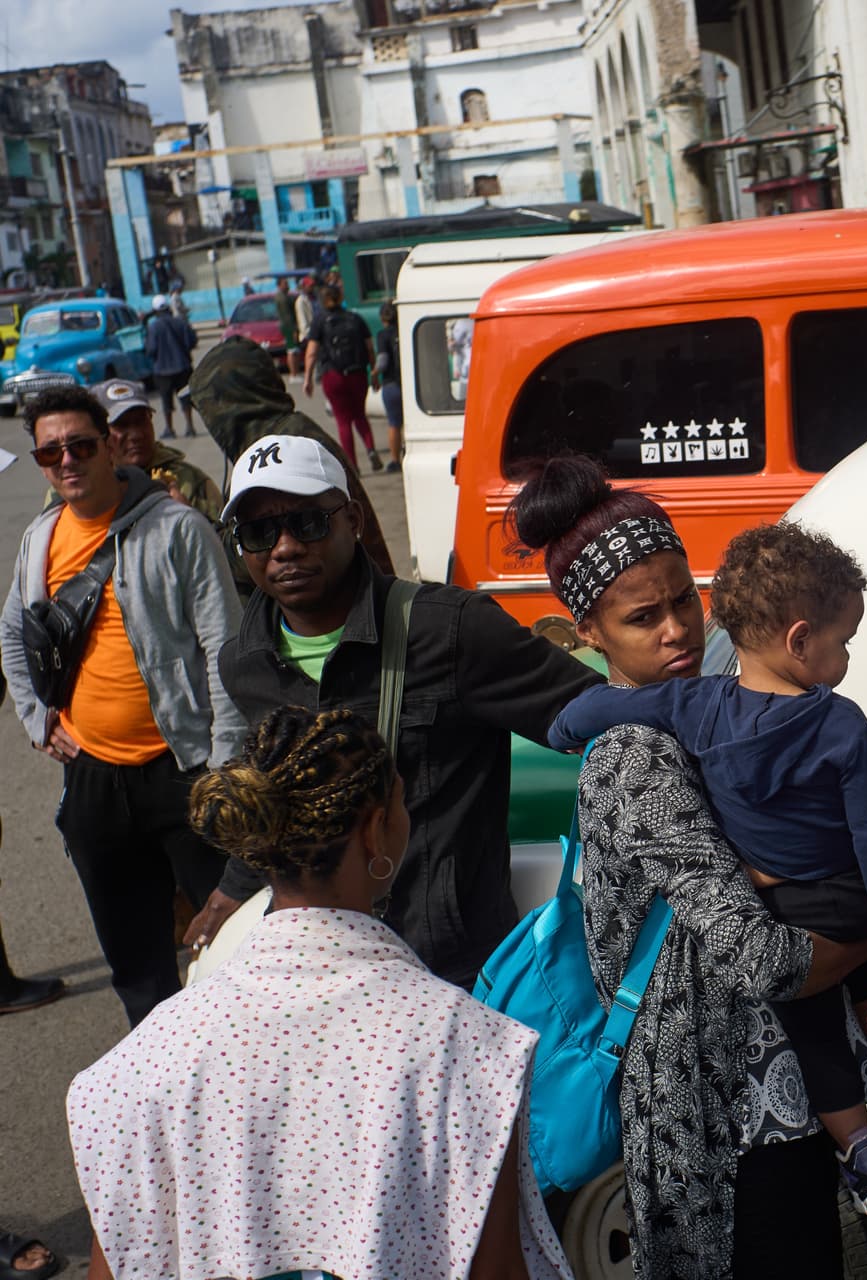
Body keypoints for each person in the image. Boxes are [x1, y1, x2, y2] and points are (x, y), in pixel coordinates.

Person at [509, 454, 867, 1279]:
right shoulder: (635, 754)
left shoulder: (720, 713)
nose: (677, 630)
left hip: (763, 1092)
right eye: (642, 618)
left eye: (683, 598)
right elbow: (765, 961)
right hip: (715, 1112)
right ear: (589, 633)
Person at [67, 705, 570, 1280]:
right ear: (374, 830)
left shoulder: (149, 1056)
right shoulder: (464, 1045)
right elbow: (497, 1268)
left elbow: (115, 1261)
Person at [183, 434, 601, 989]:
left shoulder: (450, 629)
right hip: (323, 976)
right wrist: (234, 887)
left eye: (307, 522)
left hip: (454, 972)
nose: (283, 548)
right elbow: (275, 794)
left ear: (352, 519)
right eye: (258, 532)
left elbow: (600, 718)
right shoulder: (245, 663)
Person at [0, 385, 243, 1026]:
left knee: (238, 940)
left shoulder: (177, 528)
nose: (67, 462)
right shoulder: (42, 537)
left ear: (108, 445)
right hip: (94, 782)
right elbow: (13, 632)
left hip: (185, 769)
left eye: (80, 445)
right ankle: (161, 1083)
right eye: (50, 454)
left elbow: (225, 646)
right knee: (136, 962)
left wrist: (223, 762)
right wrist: (36, 718)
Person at [186, 335, 395, 575]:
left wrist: (195, 526)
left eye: (207, 407)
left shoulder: (278, 453)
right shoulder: (281, 435)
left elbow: (254, 553)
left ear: (226, 404)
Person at [83, 378, 224, 524]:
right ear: (100, 434)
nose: (136, 435)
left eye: (141, 421)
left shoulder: (191, 481)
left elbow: (228, 538)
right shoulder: (85, 487)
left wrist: (192, 521)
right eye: (122, 425)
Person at [303, 285, 383, 472]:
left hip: (333, 375)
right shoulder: (355, 319)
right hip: (358, 374)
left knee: (343, 421)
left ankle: (353, 466)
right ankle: (371, 449)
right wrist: (374, 373)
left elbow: (311, 353)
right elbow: (370, 348)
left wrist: (307, 378)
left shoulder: (320, 321)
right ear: (340, 298)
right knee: (360, 415)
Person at [143, 293, 198, 439]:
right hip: (183, 367)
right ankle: (190, 427)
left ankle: (170, 429)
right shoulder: (180, 322)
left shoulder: (153, 327)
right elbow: (191, 342)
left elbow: (151, 349)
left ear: (155, 311)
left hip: (162, 371)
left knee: (166, 401)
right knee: (185, 398)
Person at [374, 300, 403, 472]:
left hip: (391, 384)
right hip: (407, 384)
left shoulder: (382, 335)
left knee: (394, 423)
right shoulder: (404, 330)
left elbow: (383, 362)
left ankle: (394, 460)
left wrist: (374, 373)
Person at [290, 277, 315, 377]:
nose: (312, 288)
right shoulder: (301, 301)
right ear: (304, 287)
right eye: (310, 286)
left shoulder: (313, 298)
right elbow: (303, 322)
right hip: (309, 336)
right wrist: (311, 335)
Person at [274, 277, 299, 366]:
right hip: (288, 327)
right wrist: (294, 329)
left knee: (295, 350)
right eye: (285, 283)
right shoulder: (282, 297)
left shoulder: (286, 295)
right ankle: (293, 374)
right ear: (279, 285)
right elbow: (287, 316)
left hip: (288, 326)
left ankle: (296, 372)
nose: (287, 285)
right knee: (292, 350)